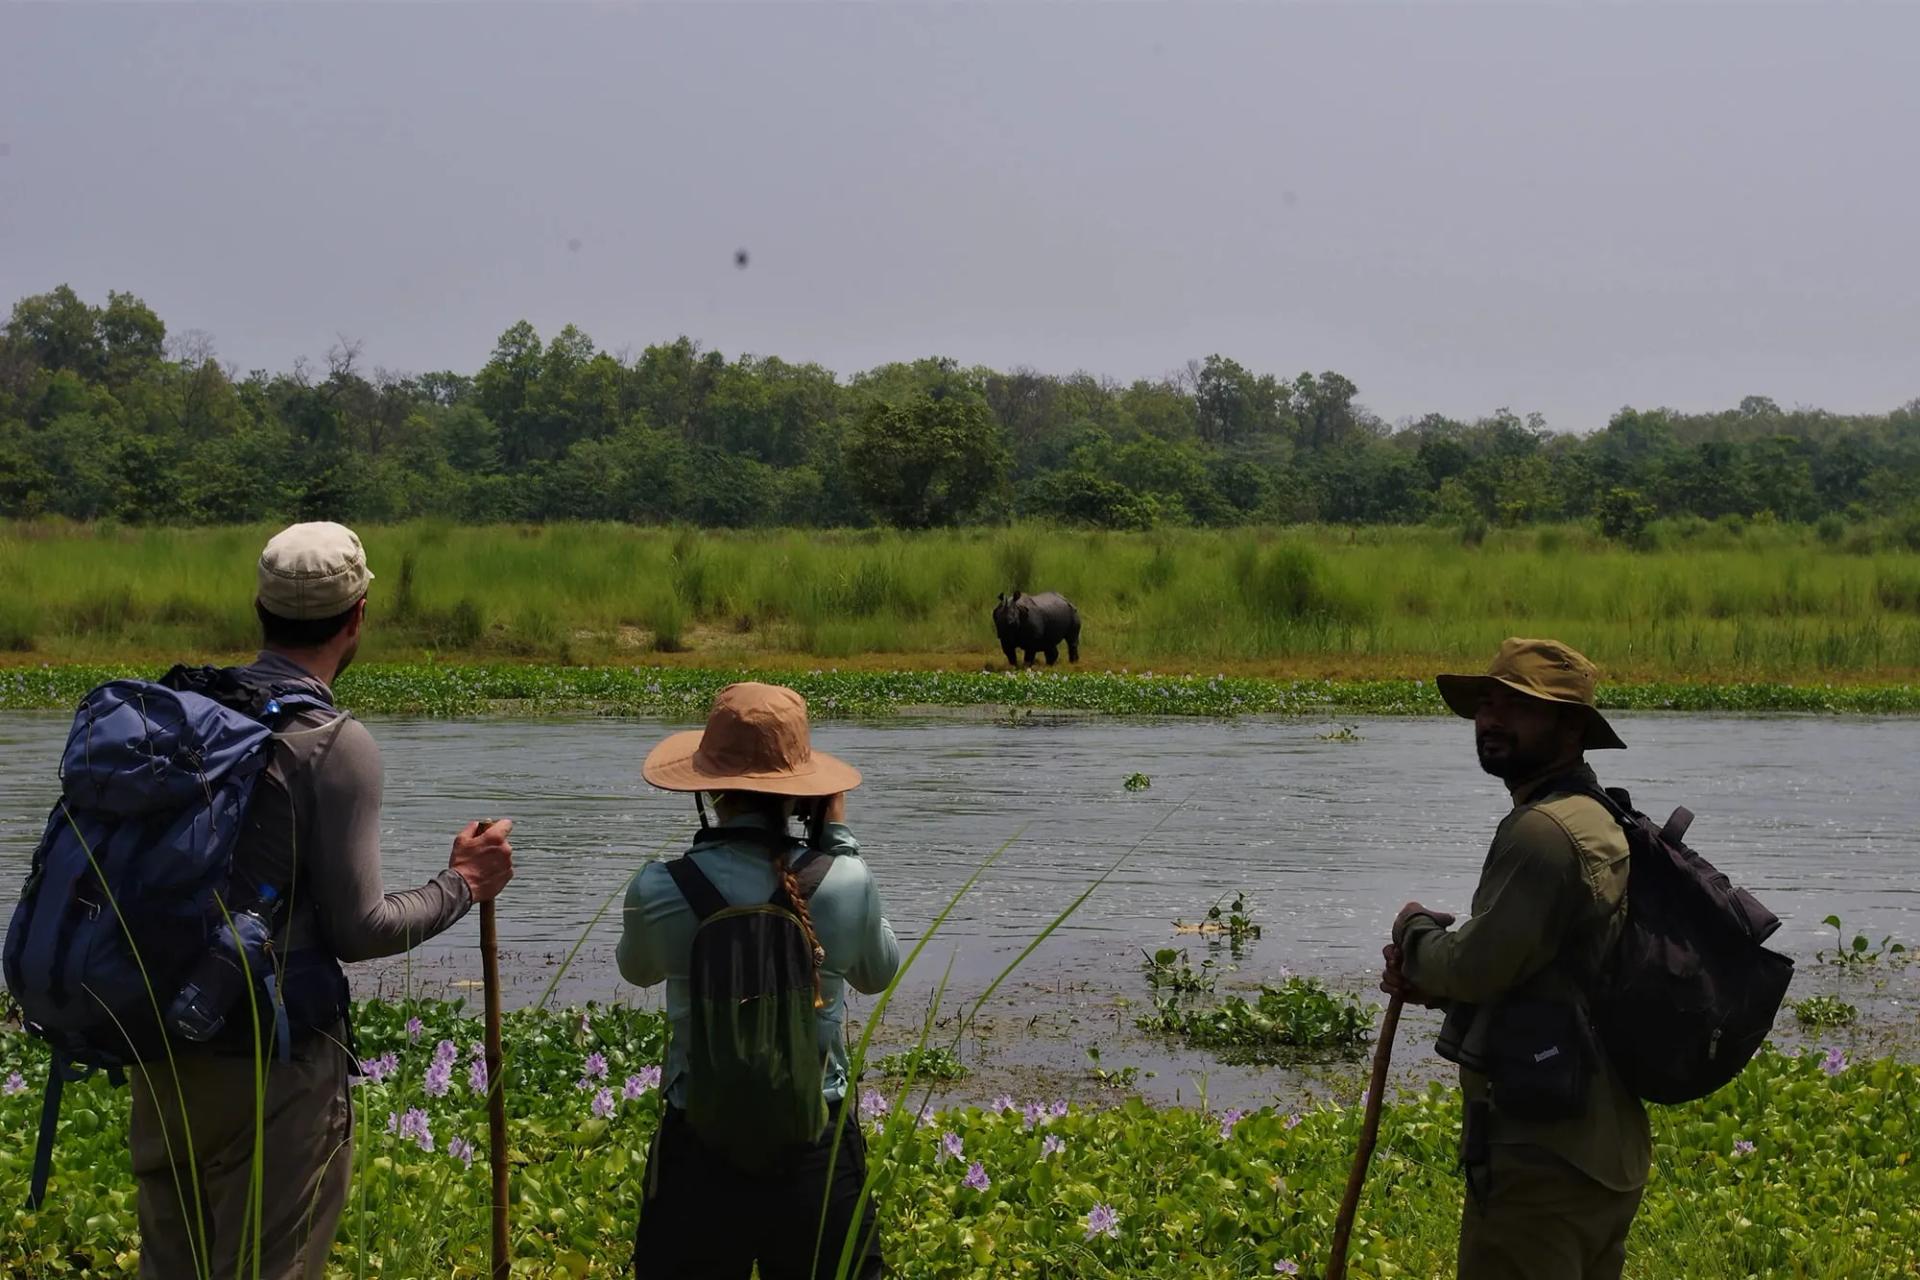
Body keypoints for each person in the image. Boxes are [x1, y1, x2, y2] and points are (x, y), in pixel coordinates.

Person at [129, 521, 516, 1280]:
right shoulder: (331, 742)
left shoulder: (181, 714)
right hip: (276, 1059)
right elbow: (360, 928)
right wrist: (461, 883)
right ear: (359, 617)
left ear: (259, 609)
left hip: (161, 1042)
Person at [1379, 637, 1650, 1280]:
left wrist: (1414, 935)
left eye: (1519, 706)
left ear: (1571, 727)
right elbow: (1548, 969)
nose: (1492, 719)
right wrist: (1435, 981)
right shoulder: (1597, 816)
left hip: (1544, 1155)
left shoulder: (1544, 832)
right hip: (1600, 1146)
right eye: (1487, 703)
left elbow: (1477, 968)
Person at [619, 681, 900, 1280]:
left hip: (697, 1143)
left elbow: (635, 970)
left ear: (710, 787)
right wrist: (839, 842)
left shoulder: (659, 887)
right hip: (816, 1141)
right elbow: (879, 974)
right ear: (804, 794)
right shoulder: (847, 879)